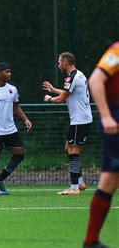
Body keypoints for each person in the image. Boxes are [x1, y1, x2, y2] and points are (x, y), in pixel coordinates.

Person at [83, 42, 119, 248]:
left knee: (109, 182)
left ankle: (90, 242)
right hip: (115, 120)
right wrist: (106, 116)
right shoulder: (117, 51)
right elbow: (96, 79)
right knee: (109, 180)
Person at [42, 52, 92, 195]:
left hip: (79, 120)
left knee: (73, 150)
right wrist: (53, 90)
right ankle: (80, 182)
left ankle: (74, 188)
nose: (58, 65)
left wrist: (48, 98)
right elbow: (68, 93)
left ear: (65, 62)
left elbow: (61, 99)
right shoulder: (79, 75)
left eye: (59, 62)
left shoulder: (71, 77)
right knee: (68, 148)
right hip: (81, 119)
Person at [0, 62, 32, 195]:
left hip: (11, 129)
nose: (9, 74)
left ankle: (0, 179)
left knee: (19, 155)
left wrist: (25, 119)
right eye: (7, 72)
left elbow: (16, 107)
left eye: (10, 72)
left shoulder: (13, 89)